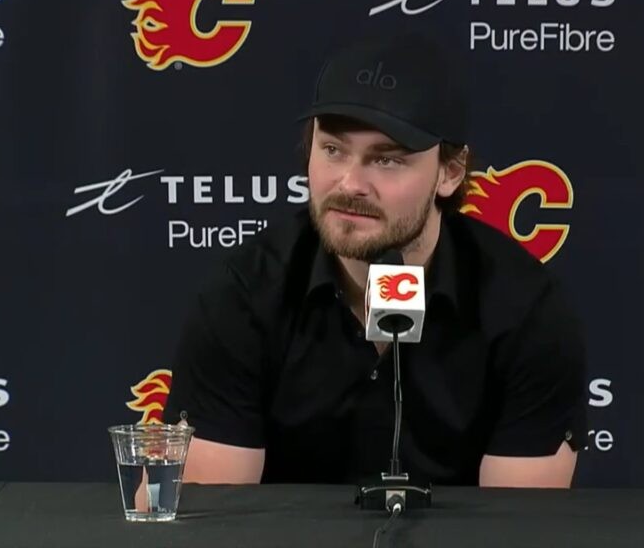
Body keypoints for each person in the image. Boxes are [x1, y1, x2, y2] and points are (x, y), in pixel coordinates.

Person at [163, 32, 587, 488]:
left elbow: (519, 522)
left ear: (450, 172)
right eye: (333, 150)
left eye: (386, 161)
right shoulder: (243, 295)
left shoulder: (526, 310)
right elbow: (214, 513)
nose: (350, 184)